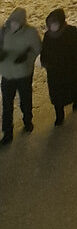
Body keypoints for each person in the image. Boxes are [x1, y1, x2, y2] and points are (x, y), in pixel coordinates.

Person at [0, 8, 41, 144]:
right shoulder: (4, 32)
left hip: (23, 74)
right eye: (12, 22)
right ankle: (7, 133)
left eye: (16, 23)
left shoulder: (30, 33)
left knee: (25, 100)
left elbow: (37, 48)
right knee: (6, 105)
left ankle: (27, 120)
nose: (13, 26)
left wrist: (26, 59)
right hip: (7, 74)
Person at [40, 9, 77, 126]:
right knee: (57, 94)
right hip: (55, 71)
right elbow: (44, 50)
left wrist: (74, 58)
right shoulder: (48, 36)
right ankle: (59, 115)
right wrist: (45, 61)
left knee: (73, 87)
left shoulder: (71, 32)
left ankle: (76, 102)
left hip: (70, 69)